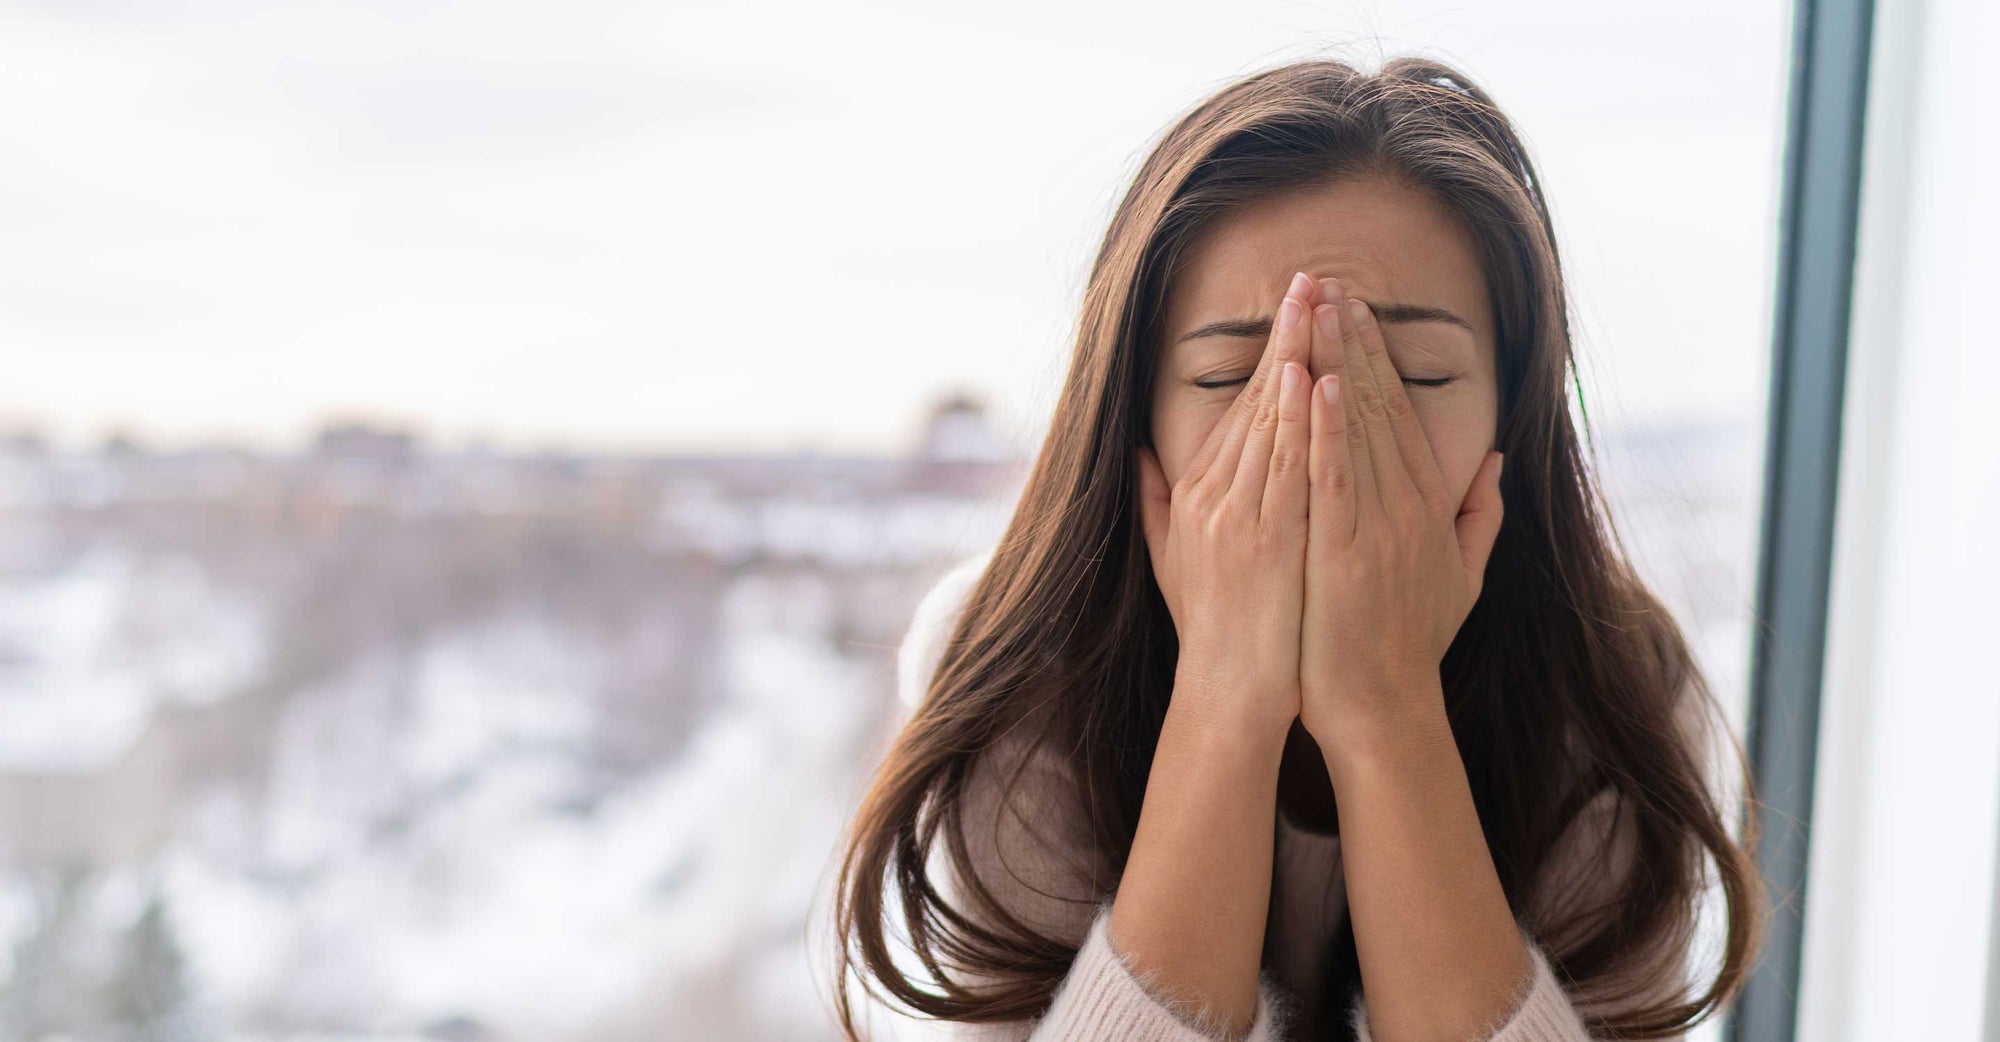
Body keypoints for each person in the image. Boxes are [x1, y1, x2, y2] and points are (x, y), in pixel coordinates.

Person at [826, 54, 1768, 1042]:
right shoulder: (1012, 664)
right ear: (1132, 419)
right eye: (1236, 375)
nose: (1323, 437)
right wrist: (1227, 697)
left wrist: (1384, 708)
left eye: (1407, 373)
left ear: (1513, 416)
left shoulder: (1612, 684)